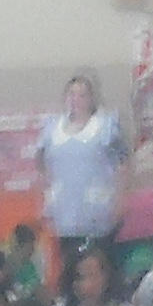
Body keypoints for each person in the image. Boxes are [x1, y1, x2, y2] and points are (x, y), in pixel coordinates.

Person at [39, 72, 129, 248]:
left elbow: (123, 165)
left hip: (98, 214)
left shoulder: (105, 127)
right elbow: (41, 165)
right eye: (71, 94)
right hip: (63, 215)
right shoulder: (52, 128)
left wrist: (119, 202)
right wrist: (46, 198)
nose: (75, 99)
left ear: (91, 99)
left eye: (82, 95)